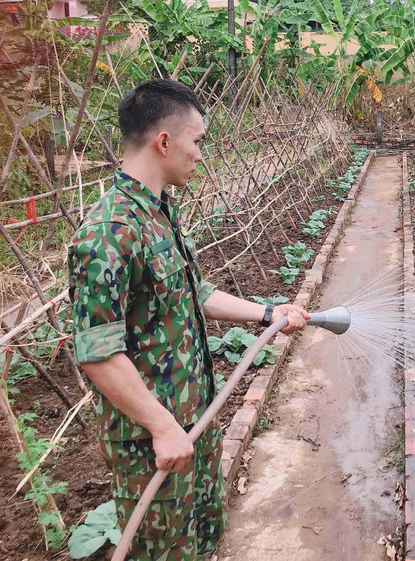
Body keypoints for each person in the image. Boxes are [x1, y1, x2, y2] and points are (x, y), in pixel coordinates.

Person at [67, 79, 309, 559]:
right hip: (151, 443)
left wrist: (267, 312)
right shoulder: (107, 233)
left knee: (201, 539)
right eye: (196, 141)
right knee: (164, 550)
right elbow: (98, 353)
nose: (200, 154)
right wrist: (160, 426)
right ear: (164, 142)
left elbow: (194, 294)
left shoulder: (158, 213)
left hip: (193, 419)